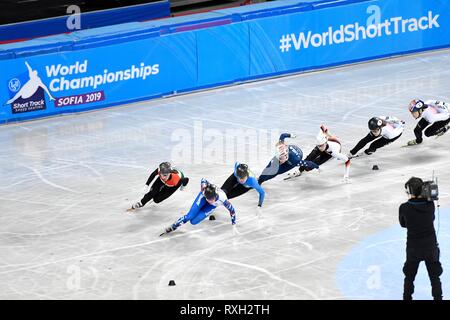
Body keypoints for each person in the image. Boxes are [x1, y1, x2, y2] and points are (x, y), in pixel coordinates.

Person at [399, 177, 443, 300]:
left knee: (409, 277)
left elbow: (403, 224)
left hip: (413, 249)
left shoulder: (404, 207)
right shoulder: (430, 205)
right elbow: (432, 218)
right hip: (430, 248)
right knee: (435, 277)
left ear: (410, 191)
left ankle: (407, 297)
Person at [161, 179, 236, 235]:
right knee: (190, 216)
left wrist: (234, 225)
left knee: (193, 222)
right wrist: (203, 188)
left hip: (211, 206)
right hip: (202, 198)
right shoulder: (204, 191)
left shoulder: (223, 199)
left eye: (211, 199)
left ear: (216, 196)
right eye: (208, 198)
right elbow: (203, 179)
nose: (209, 200)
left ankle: (204, 211)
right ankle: (174, 226)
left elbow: (232, 211)